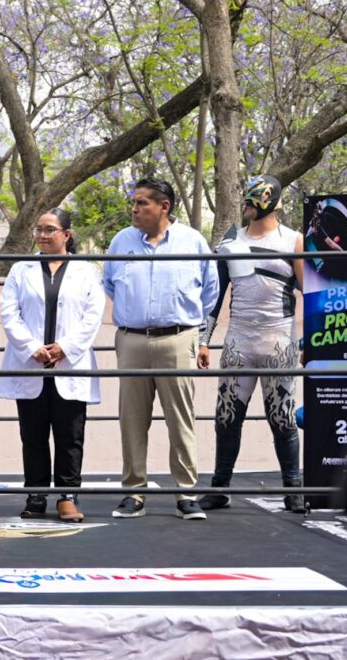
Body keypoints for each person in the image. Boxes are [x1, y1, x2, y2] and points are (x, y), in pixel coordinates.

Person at [102, 178, 218, 520]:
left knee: (180, 419)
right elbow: (110, 284)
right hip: (132, 339)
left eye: (142, 203)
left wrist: (195, 334)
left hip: (178, 339)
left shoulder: (192, 242)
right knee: (132, 420)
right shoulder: (121, 241)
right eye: (134, 203)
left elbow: (209, 293)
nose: (134, 209)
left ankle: (186, 494)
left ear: (163, 207)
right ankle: (133, 493)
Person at [198, 175, 306, 513]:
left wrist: (316, 338)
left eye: (253, 197)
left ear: (271, 199)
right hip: (239, 339)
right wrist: (204, 340)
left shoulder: (293, 240)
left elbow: (311, 291)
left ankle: (294, 489)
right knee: (226, 416)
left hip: (279, 338)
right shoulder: (230, 241)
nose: (246, 202)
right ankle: (219, 487)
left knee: (283, 418)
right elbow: (216, 297)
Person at [0, 209, 104, 523]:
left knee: (70, 435)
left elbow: (93, 315)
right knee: (33, 434)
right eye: (38, 230)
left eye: (50, 229)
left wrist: (65, 348)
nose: (42, 235)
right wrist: (32, 349)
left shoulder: (85, 271)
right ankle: (36, 494)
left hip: (70, 363)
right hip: (31, 363)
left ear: (66, 235)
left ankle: (68, 496)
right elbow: (9, 312)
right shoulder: (21, 269)